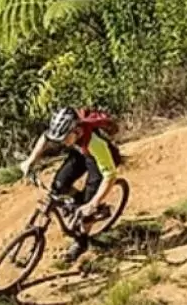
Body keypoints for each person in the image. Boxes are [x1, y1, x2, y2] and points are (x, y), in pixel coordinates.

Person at [19, 106, 122, 262]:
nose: (62, 143)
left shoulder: (96, 144)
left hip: (99, 160)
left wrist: (92, 203)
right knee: (59, 185)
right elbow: (46, 137)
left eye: (64, 139)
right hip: (81, 153)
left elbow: (110, 175)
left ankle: (81, 242)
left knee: (88, 206)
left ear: (77, 131)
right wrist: (30, 161)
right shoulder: (69, 134)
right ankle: (77, 203)